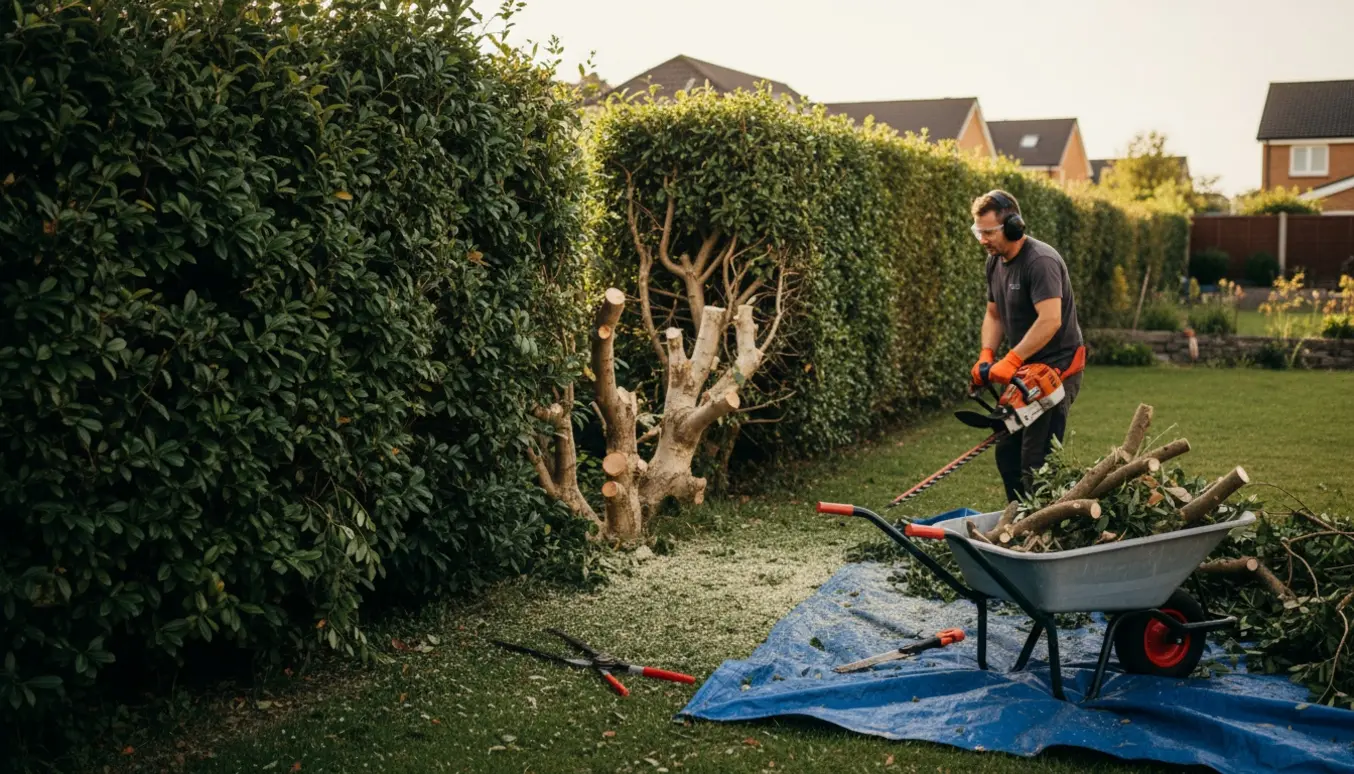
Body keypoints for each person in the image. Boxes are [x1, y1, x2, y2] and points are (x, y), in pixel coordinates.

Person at [969, 190, 1086, 501]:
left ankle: (1045, 523)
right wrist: (987, 355)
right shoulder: (994, 262)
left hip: (1056, 370)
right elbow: (994, 314)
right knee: (1007, 453)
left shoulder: (1040, 261)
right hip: (1023, 370)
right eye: (978, 232)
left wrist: (1011, 358)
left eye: (989, 232)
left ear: (1013, 226)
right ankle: (1019, 519)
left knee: (1037, 462)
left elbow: (1050, 320)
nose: (982, 240)